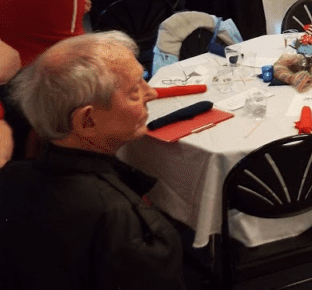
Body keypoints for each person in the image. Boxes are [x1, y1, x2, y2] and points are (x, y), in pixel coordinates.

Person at [0, 32, 186, 290]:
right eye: (134, 91)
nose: (151, 93)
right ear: (86, 121)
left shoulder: (10, 178)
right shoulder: (125, 224)